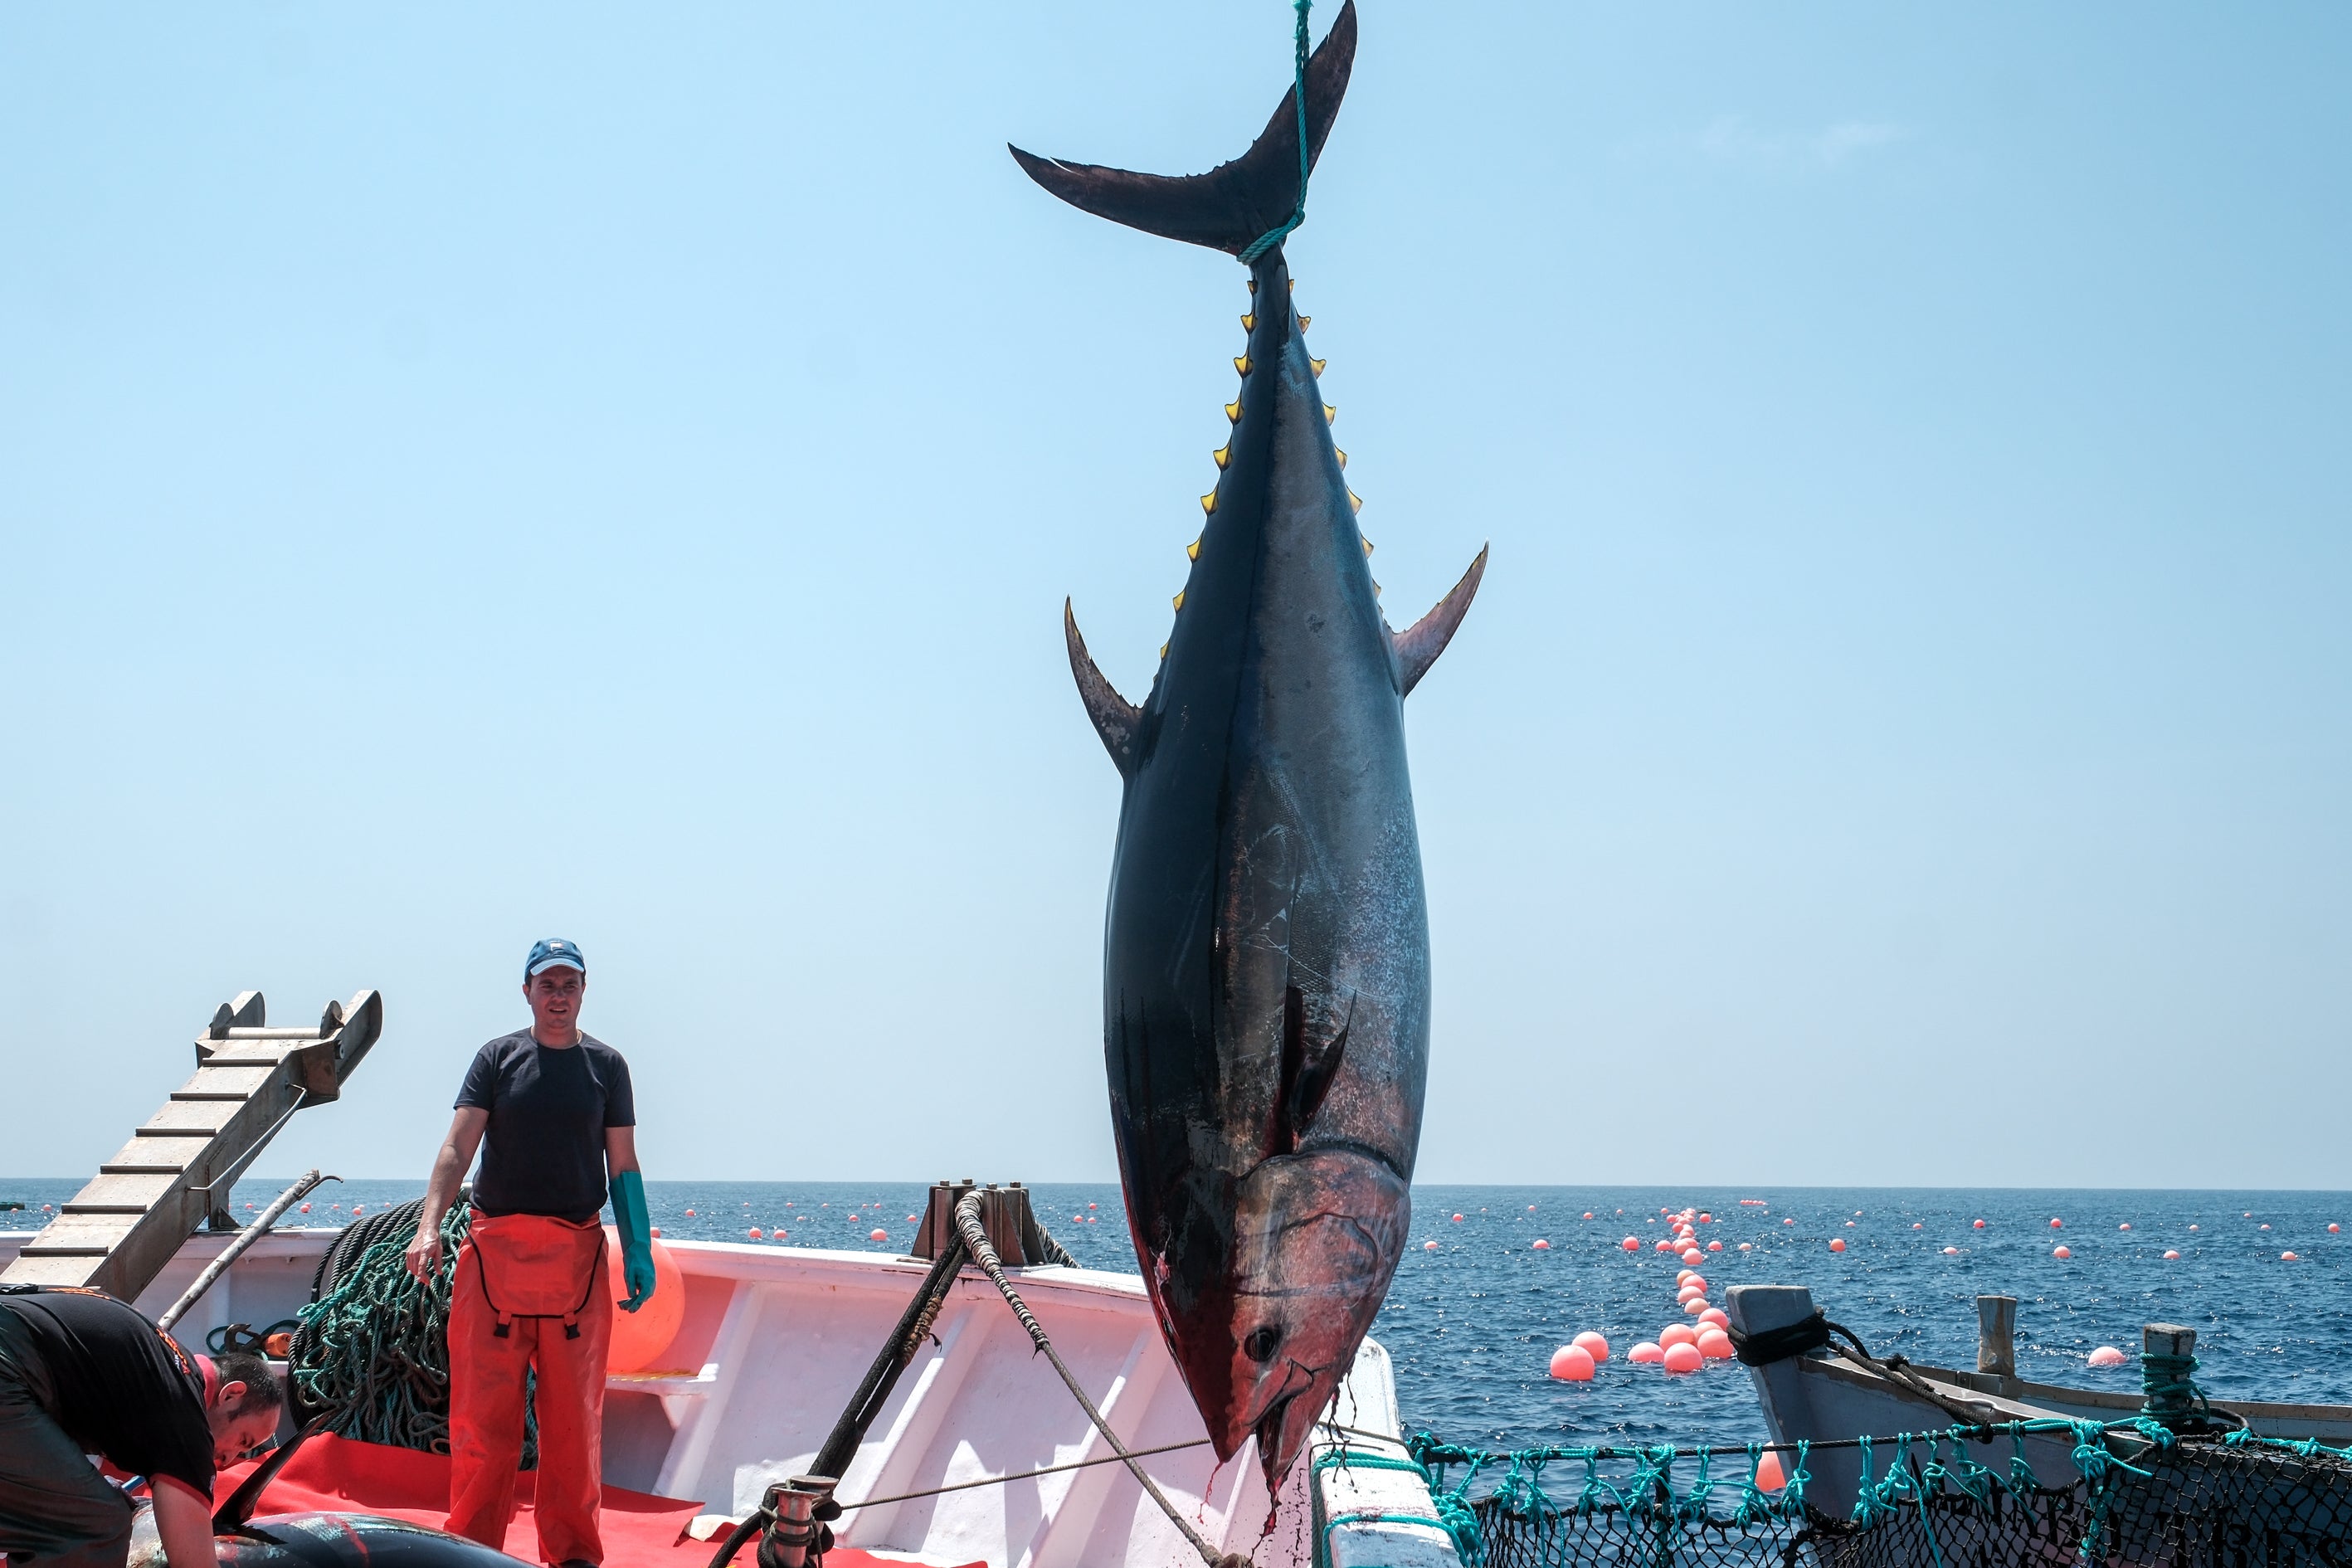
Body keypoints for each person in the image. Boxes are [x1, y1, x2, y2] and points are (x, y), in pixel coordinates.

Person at [405, 938, 655, 1568]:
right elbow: (458, 1149)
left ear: (583, 992)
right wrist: (428, 1226)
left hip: (578, 1259)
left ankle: (571, 1557)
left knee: (574, 1430)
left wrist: (640, 1248)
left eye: (569, 985)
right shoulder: (496, 1058)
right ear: (527, 991)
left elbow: (622, 1164)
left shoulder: (608, 1066)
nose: (558, 996)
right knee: (481, 1428)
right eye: (547, 985)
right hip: (493, 1259)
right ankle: (469, 1553)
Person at [0, 1284, 283, 1568]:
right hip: (10, 1369)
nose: (227, 1460)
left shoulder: (157, 1361)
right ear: (231, 1395)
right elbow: (194, 1563)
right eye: (242, 1441)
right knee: (96, 1524)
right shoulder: (182, 1405)